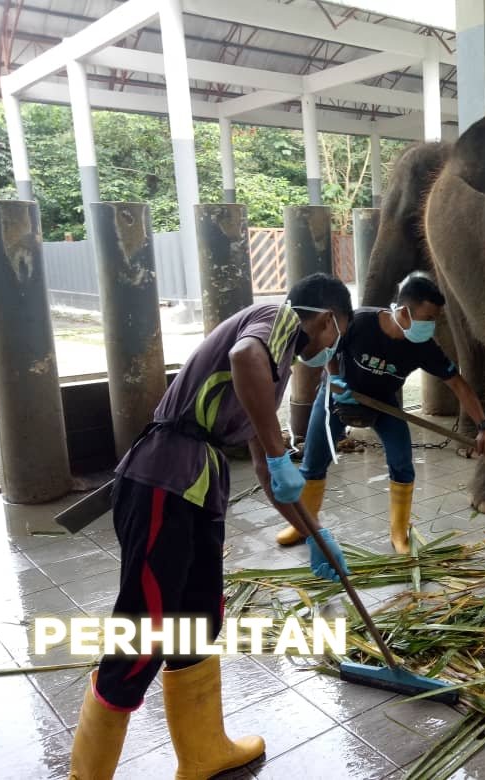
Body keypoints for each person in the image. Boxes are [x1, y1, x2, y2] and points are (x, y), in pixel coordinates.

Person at [68, 273, 353, 780]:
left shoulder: (279, 363)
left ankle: (202, 753)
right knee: (144, 630)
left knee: (200, 619)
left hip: (197, 490)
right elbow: (245, 360)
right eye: (336, 335)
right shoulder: (274, 320)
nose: (329, 348)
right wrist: (274, 446)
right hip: (163, 480)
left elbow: (270, 474)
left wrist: (314, 533)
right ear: (328, 319)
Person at [275, 271, 485, 555]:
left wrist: (484, 425)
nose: (432, 326)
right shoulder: (360, 322)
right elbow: (329, 348)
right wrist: (334, 381)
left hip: (383, 404)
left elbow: (459, 385)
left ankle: (399, 532)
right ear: (404, 312)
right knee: (313, 461)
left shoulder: (424, 348)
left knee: (402, 463)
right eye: (428, 319)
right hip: (338, 394)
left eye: (435, 320)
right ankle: (303, 524)